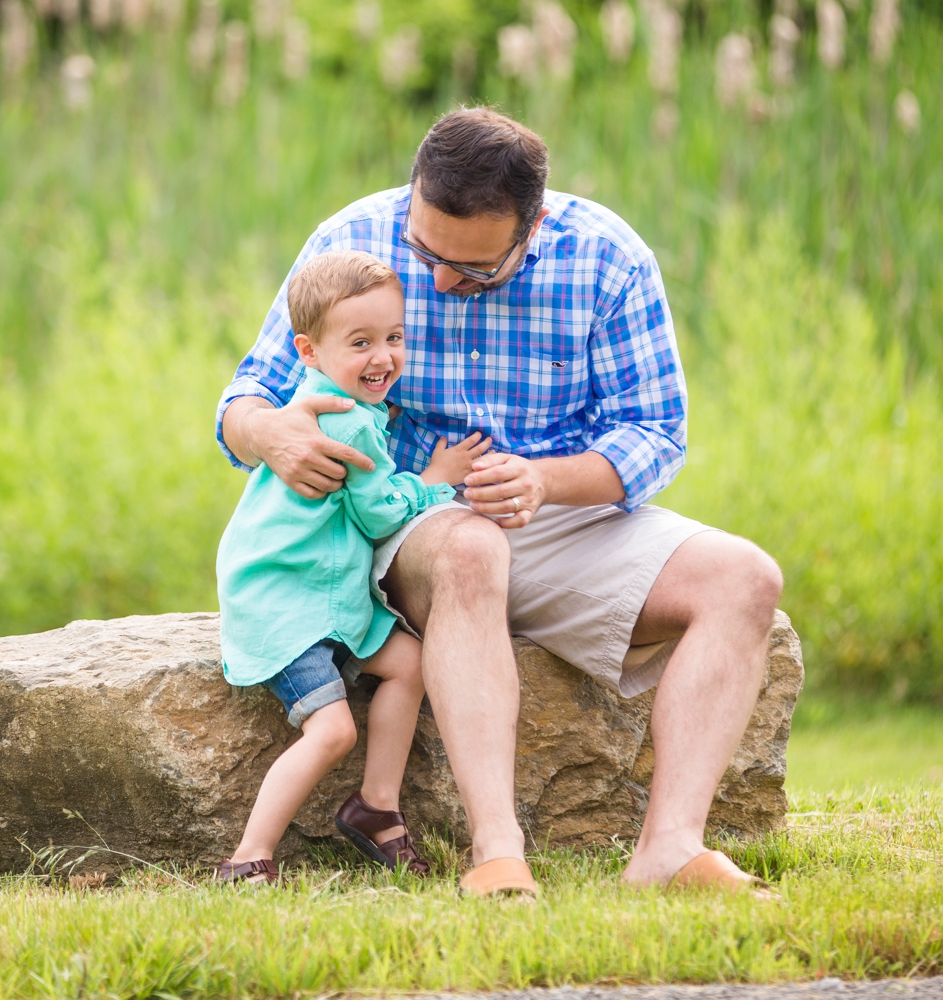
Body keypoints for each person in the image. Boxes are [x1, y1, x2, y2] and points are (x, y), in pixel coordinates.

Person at [216, 108, 784, 900]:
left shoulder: (608, 257)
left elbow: (656, 434)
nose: (442, 281)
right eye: (426, 254)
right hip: (409, 523)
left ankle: (669, 851)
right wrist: (271, 436)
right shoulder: (354, 238)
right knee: (471, 547)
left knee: (746, 578)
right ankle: (496, 851)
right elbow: (245, 398)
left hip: (560, 517)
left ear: (535, 223)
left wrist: (547, 480)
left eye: (476, 271)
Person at [214, 249, 491, 886]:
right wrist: (437, 481)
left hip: (326, 592)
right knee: (333, 730)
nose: (383, 357)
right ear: (307, 351)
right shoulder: (348, 422)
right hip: (287, 598)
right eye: (360, 342)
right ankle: (248, 858)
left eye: (394, 338)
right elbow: (378, 516)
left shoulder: (333, 403)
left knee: (411, 665)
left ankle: (375, 806)